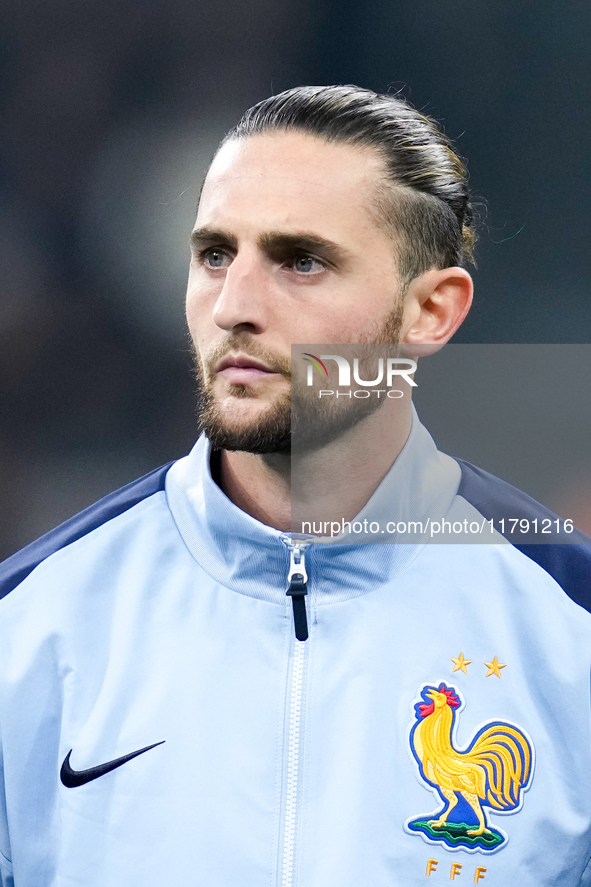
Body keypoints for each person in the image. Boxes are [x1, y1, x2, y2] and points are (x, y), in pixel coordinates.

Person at [0, 85, 590, 887]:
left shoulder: (568, 629)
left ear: (430, 311)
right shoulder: (28, 630)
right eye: (214, 254)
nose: (234, 305)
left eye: (300, 261)